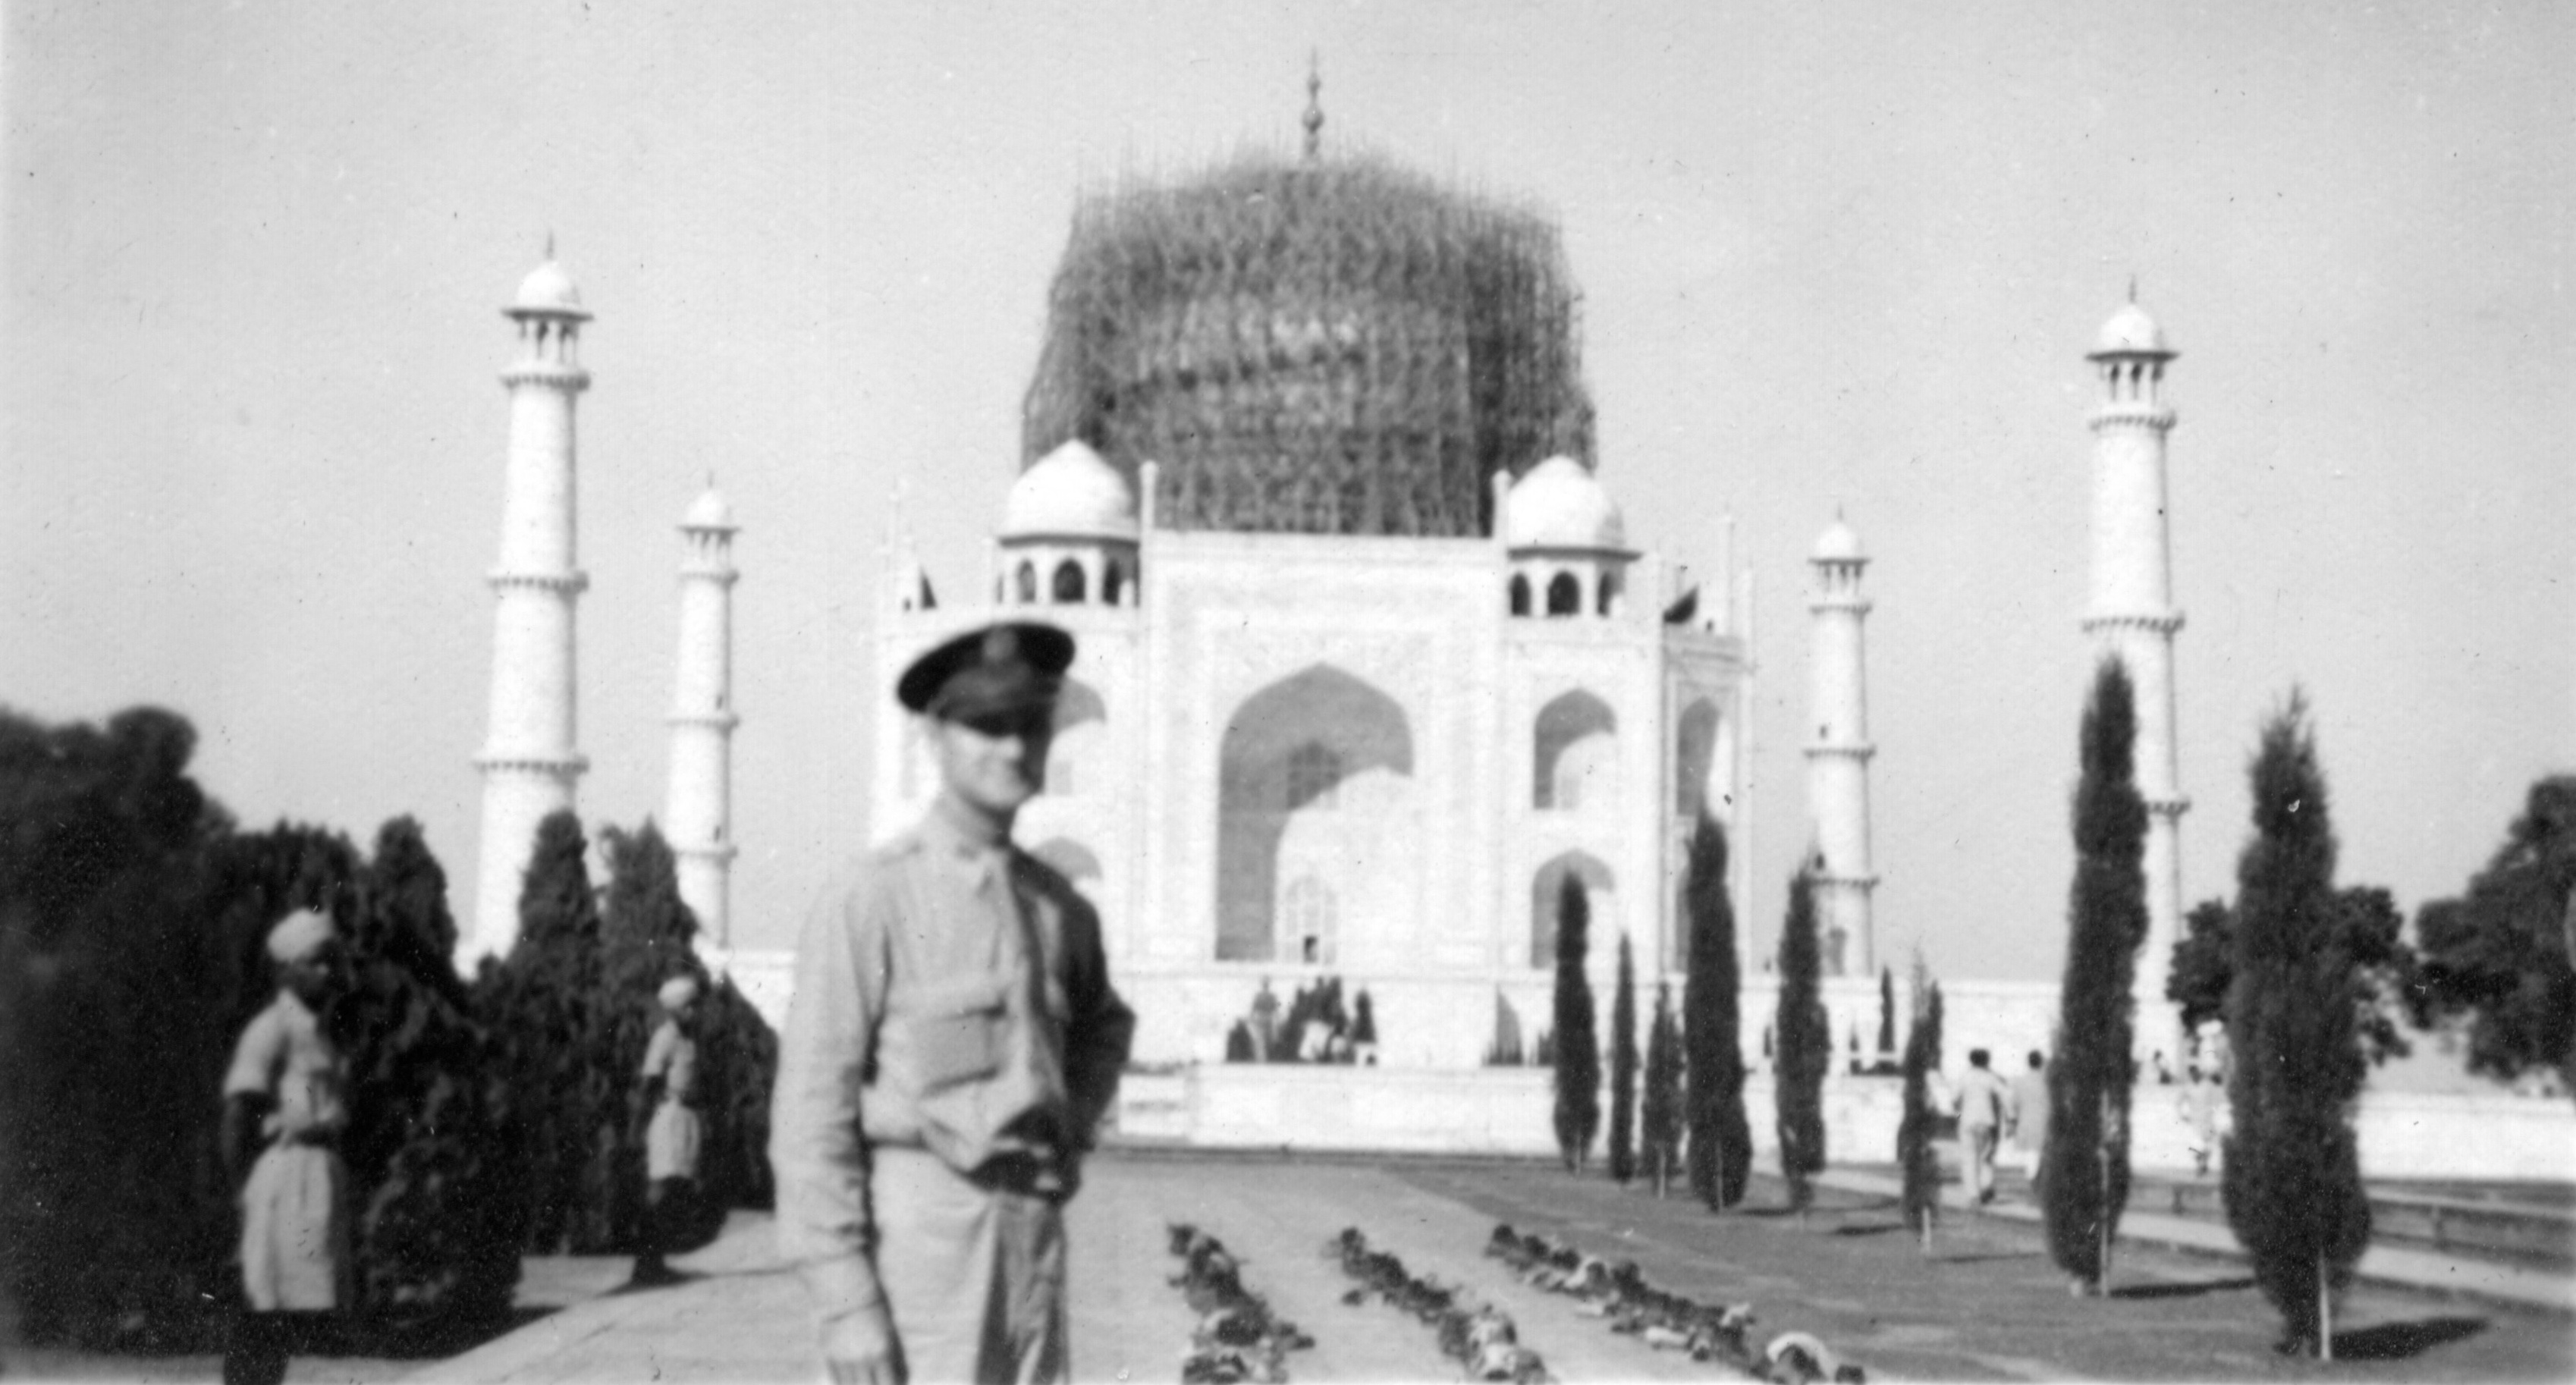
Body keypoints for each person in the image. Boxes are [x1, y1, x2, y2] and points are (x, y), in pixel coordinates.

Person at [774, 620, 1136, 1385]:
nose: (1012, 747)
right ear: (936, 733)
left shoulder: (1060, 908)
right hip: (919, 1245)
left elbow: (1104, 1024)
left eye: (1030, 725)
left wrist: (1068, 1124)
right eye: (987, 724)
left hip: (1030, 1237)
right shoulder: (874, 896)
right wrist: (844, 1299)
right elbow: (811, 1109)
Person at [220, 907, 351, 1385]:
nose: (326, 972)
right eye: (315, 961)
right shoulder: (271, 1029)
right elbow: (239, 1114)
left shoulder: (318, 1033)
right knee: (266, 1304)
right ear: (287, 968)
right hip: (283, 1180)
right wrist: (242, 1193)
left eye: (330, 962)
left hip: (316, 1178)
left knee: (287, 1313)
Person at [630, 973, 705, 1287]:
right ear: (674, 1009)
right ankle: (644, 1265)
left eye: (695, 1006)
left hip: (687, 1116)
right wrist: (637, 1126)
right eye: (688, 1007)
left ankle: (657, 1262)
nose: (693, 1013)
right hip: (668, 1116)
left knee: (676, 1191)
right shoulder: (666, 1037)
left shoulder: (689, 1039)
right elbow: (650, 1081)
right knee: (659, 1190)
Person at [1954, 1047, 2016, 1208]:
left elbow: (1954, 1099)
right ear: (1986, 1061)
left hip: (1967, 1121)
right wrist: (2011, 1117)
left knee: (1969, 1159)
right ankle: (1986, 1188)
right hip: (1987, 1121)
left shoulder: (1965, 1077)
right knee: (1985, 1158)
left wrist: (1959, 1112)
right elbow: (2006, 1095)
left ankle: (1973, 1195)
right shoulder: (1990, 1077)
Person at [2009, 1050, 2050, 1179]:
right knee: (2039, 1155)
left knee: (2030, 1156)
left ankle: (2032, 1181)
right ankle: (2036, 1182)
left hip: (2025, 1123)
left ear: (2028, 1063)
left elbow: (2013, 1103)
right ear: (2041, 1063)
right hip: (2044, 1122)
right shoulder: (2047, 1082)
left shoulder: (2020, 1081)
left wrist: (2012, 1121)